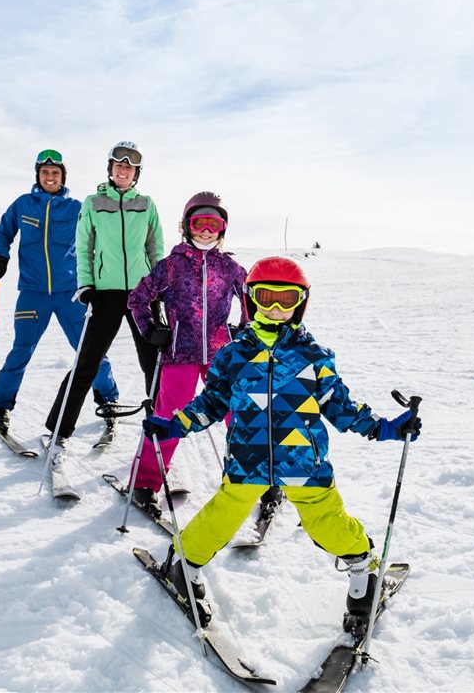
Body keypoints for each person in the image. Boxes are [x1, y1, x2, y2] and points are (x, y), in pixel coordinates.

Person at [142, 256, 422, 635]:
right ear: (251, 299)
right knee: (221, 517)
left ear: (300, 303)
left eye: (285, 299)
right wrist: (174, 426)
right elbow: (210, 403)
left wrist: (387, 428)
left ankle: (363, 571)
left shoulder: (314, 357)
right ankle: (183, 566)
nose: (275, 308)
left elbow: (342, 409)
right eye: (266, 297)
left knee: (328, 523)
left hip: (304, 463)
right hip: (247, 460)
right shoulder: (233, 356)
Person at [125, 191, 248, 514]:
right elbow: (137, 298)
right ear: (186, 226)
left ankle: (254, 475)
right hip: (180, 353)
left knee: (238, 412)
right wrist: (150, 329)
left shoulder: (230, 267)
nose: (206, 230)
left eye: (214, 223)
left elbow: (252, 300)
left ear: (222, 229)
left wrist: (245, 329)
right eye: (199, 222)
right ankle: (145, 482)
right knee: (169, 416)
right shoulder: (171, 267)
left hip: (221, 355)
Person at [0, 149, 119, 436]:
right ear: (38, 176)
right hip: (33, 292)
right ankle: (0, 406)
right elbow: (3, 232)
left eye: (55, 173)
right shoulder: (23, 205)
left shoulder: (76, 208)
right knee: (21, 350)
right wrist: (0, 255)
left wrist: (97, 279)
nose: (49, 177)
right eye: (45, 173)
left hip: (71, 293)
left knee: (90, 348)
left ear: (63, 177)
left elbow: (98, 240)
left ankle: (109, 400)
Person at [43, 141, 164, 451]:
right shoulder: (93, 203)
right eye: (118, 164)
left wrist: (158, 284)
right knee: (87, 361)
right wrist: (86, 283)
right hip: (106, 292)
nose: (123, 169)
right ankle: (58, 430)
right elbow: (83, 247)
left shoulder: (147, 205)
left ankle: (163, 431)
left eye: (130, 166)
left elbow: (155, 248)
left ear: (137, 173)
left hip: (143, 294)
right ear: (110, 169)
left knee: (155, 362)